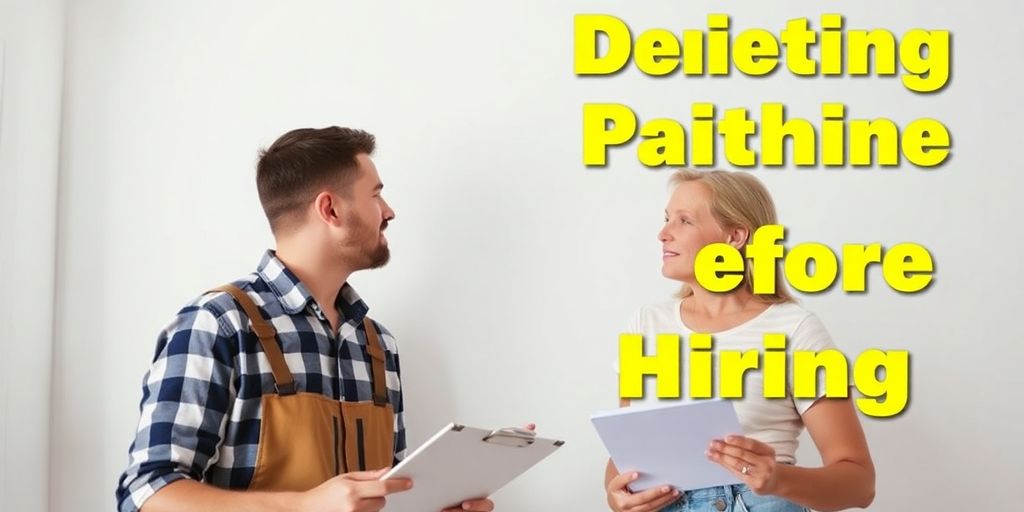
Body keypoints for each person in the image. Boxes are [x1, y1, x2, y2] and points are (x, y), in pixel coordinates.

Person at [116, 127, 499, 512]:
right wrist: (304, 506)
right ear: (330, 209)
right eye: (376, 194)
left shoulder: (378, 345)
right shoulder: (219, 325)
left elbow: (387, 497)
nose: (388, 211)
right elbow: (147, 493)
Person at [604, 169, 875, 512]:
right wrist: (618, 497)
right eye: (667, 219)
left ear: (735, 237)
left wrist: (777, 479)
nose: (663, 234)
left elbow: (860, 484)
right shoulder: (646, 324)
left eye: (684, 221)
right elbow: (624, 457)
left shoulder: (795, 329)